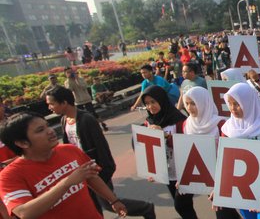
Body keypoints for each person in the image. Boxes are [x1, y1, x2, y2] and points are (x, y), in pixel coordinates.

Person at [45, 87, 155, 218]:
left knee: (109, 202)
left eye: (51, 103)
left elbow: (102, 149)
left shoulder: (86, 119)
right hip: (81, 171)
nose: (50, 108)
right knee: (92, 205)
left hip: (96, 171)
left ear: (64, 102)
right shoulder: (64, 120)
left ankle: (145, 208)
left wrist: (104, 172)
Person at [0, 111, 127, 218]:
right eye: (40, 130)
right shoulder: (9, 176)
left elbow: (91, 177)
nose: (50, 131)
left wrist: (113, 200)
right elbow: (24, 212)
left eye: (47, 126)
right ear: (22, 143)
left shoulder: (69, 150)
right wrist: (66, 183)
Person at [181, 87, 241, 219]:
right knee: (226, 212)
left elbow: (230, 154)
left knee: (223, 213)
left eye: (193, 103)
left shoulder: (220, 124)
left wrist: (222, 181)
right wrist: (184, 175)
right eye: (187, 103)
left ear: (203, 102)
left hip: (224, 175)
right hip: (205, 176)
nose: (189, 107)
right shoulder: (186, 124)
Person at [220, 83, 260, 219]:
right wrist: (218, 189)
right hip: (241, 187)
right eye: (230, 103)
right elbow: (225, 162)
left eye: (237, 104)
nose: (233, 108)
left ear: (248, 102)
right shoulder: (227, 129)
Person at [141, 86, 192, 218]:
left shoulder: (179, 120)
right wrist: (152, 170)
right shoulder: (149, 122)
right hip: (168, 172)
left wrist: (164, 136)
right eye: (146, 104)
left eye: (153, 102)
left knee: (180, 205)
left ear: (162, 100)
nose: (150, 107)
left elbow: (186, 146)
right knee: (185, 208)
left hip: (184, 171)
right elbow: (148, 149)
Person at [64, 67, 108, 131]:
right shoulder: (67, 82)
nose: (70, 73)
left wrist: (76, 79)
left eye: (71, 72)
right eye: (68, 72)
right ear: (66, 74)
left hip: (86, 99)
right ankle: (90, 128)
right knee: (81, 116)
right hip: (78, 101)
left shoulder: (80, 79)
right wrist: (70, 80)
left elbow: (84, 87)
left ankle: (102, 123)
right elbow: (69, 90)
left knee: (92, 113)